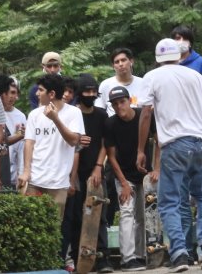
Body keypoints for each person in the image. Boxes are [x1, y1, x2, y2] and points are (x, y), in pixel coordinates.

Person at [137, 38, 202, 272]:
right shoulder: (196, 77)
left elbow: (145, 113)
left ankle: (179, 254)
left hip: (174, 145)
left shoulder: (152, 77)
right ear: (179, 56)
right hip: (200, 144)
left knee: (170, 201)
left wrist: (141, 150)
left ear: (157, 58)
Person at [105, 85, 156, 272]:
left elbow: (158, 140)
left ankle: (141, 255)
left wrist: (157, 168)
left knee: (144, 215)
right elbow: (111, 157)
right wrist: (123, 183)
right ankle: (127, 259)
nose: (119, 106)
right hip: (124, 175)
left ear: (130, 101)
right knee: (126, 213)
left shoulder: (144, 115)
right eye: (115, 104)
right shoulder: (110, 124)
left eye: (122, 102)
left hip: (146, 175)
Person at [21, 73, 84, 222]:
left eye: (41, 90)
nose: (37, 93)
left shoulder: (74, 112)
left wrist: (55, 119)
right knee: (31, 226)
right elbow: (29, 143)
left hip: (58, 183)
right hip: (34, 181)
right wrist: (26, 171)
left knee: (53, 227)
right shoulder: (34, 114)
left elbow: (74, 141)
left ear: (52, 94)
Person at [63, 74, 110, 273]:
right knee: (76, 217)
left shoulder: (101, 115)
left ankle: (103, 258)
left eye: (93, 91)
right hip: (74, 173)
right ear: (79, 93)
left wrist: (98, 167)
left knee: (99, 216)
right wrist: (71, 176)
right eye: (86, 91)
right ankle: (78, 259)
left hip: (96, 172)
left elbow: (106, 144)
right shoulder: (72, 114)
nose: (90, 95)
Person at [0, 74, 25, 189]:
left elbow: (3, 142)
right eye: (7, 92)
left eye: (14, 93)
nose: (11, 96)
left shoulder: (18, 116)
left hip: (7, 173)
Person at [99, 48, 148, 115]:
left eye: (123, 60)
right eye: (117, 62)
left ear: (131, 61)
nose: (121, 64)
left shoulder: (143, 83)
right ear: (113, 66)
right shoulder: (105, 85)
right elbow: (99, 110)